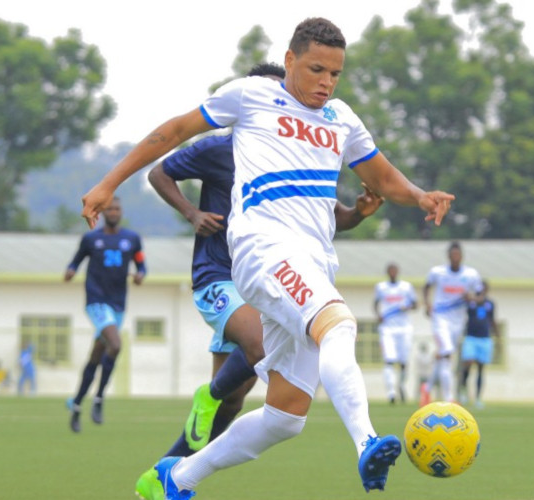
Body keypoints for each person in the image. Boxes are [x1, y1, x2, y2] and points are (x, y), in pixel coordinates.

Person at [82, 17, 454, 498]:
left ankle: (175, 477)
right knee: (338, 325)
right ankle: (366, 443)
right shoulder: (253, 95)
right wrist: (108, 183)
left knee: (284, 416)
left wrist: (420, 196)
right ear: (290, 61)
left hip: (313, 262)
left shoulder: (341, 118)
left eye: (335, 74)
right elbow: (174, 130)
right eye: (317, 69)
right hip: (263, 248)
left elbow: (382, 178)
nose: (326, 82)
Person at [136, 62, 384, 498]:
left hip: (280, 281)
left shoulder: (298, 150)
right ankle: (210, 396)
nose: (280, 110)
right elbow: (160, 170)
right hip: (221, 276)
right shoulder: (218, 149)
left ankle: (168, 475)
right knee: (260, 346)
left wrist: (361, 212)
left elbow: (334, 218)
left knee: (271, 413)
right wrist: (192, 213)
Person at [64, 196, 146, 433]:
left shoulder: (132, 239)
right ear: (102, 212)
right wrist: (70, 271)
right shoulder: (91, 239)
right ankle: (99, 398)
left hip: (118, 303)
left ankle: (77, 403)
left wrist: (140, 275)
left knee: (97, 356)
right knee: (116, 344)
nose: (114, 212)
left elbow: (141, 265)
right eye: (109, 209)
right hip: (96, 302)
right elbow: (76, 261)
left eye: (117, 208)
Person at [423, 241, 483, 403]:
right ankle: (449, 398)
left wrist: (473, 298)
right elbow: (427, 286)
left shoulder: (470, 274)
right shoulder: (438, 272)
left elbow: (480, 296)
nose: (455, 257)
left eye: (458, 255)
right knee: (447, 353)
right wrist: (427, 304)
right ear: (448, 256)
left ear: (462, 256)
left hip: (459, 320)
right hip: (440, 318)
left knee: (444, 356)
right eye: (453, 254)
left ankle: (427, 388)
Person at [373, 262, 418, 404]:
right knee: (389, 360)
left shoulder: (406, 287)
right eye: (390, 271)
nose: (392, 273)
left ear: (398, 272)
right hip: (388, 328)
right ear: (387, 272)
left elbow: (416, 304)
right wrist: (378, 315)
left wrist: (407, 307)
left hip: (404, 328)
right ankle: (391, 392)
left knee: (404, 361)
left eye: (394, 270)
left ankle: (402, 385)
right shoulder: (381, 287)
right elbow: (375, 304)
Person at [458, 280, 499, 408]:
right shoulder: (470, 302)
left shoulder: (490, 304)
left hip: (485, 339)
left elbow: (492, 320)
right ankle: (463, 392)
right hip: (471, 338)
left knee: (481, 368)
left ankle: (477, 398)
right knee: (468, 363)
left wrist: (498, 336)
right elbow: (463, 297)